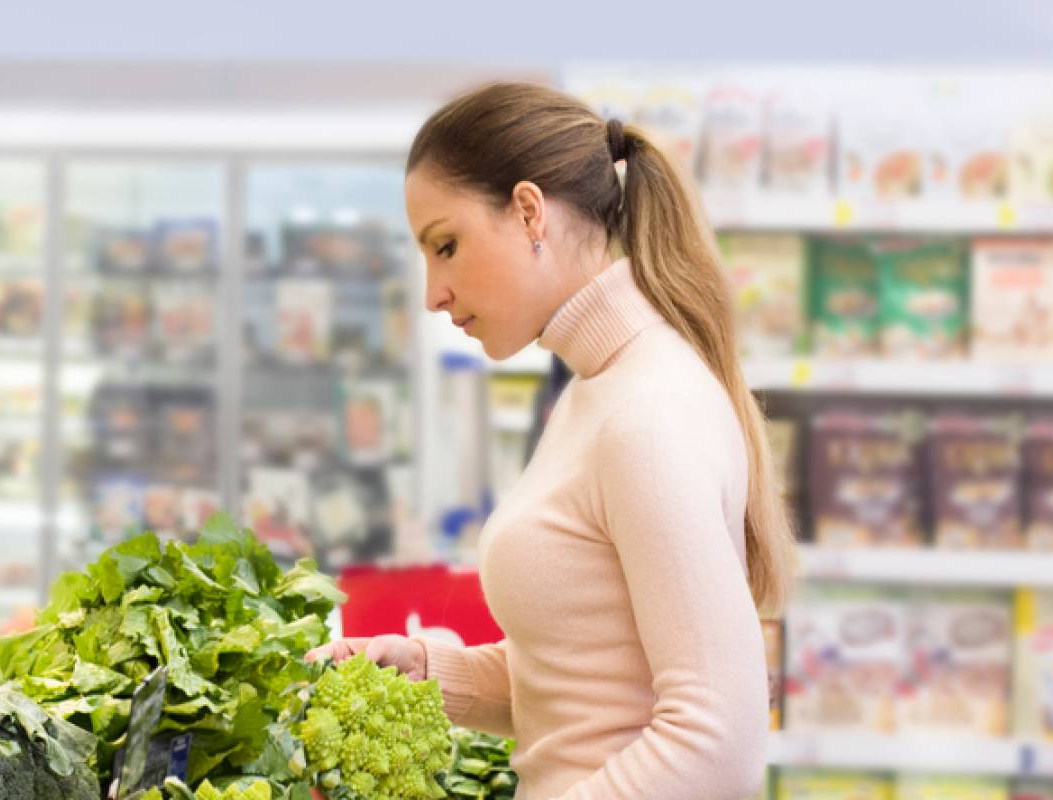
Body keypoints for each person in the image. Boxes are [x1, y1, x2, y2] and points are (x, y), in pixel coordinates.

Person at [307, 82, 796, 800]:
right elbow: (587, 682)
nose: (432, 293)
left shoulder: (647, 410)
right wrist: (427, 669)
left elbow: (719, 740)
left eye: (447, 246)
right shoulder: (597, 392)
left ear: (529, 211)